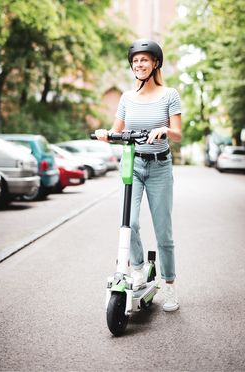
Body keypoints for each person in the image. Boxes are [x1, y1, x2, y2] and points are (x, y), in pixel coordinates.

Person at [95, 39, 182, 312]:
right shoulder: (126, 98)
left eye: (144, 60)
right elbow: (115, 132)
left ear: (155, 63)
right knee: (128, 223)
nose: (139, 64)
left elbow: (178, 133)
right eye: (135, 61)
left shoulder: (170, 94)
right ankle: (139, 268)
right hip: (132, 165)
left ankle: (169, 286)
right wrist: (104, 134)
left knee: (163, 232)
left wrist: (165, 130)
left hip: (159, 166)